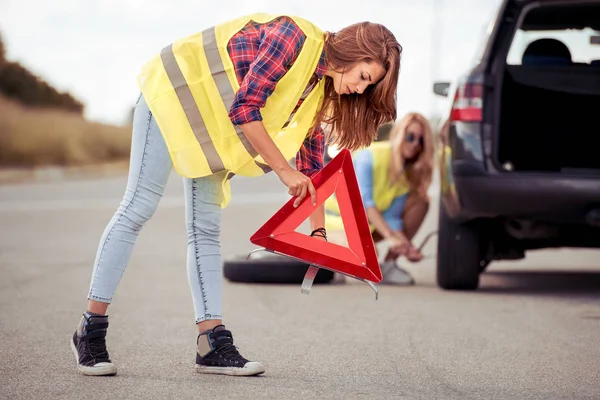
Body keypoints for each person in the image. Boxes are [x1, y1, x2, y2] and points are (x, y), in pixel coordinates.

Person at [70, 13, 402, 377]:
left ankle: (210, 343)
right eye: (364, 77)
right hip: (172, 96)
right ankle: (90, 330)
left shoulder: (320, 95)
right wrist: (282, 169)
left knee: (206, 229)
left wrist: (318, 235)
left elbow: (312, 172)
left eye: (369, 87)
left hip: (209, 129)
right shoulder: (295, 36)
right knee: (138, 207)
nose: (360, 89)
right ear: (352, 52)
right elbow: (245, 108)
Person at [325, 112, 434, 284]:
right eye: (410, 137)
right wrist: (391, 238)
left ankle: (389, 265)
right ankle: (332, 255)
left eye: (421, 141)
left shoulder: (406, 172)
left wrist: (405, 247)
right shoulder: (369, 156)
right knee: (368, 259)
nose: (415, 144)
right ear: (399, 134)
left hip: (366, 226)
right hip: (337, 223)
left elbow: (392, 217)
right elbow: (364, 202)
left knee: (421, 201)